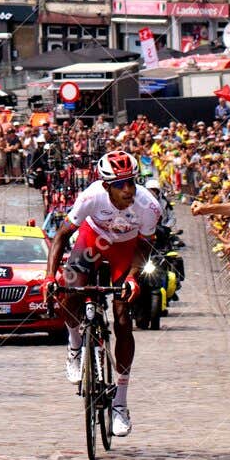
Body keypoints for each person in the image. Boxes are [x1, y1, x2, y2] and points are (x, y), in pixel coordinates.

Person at [43, 150, 161, 438]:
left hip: (126, 250)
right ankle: (74, 346)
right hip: (92, 240)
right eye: (120, 184)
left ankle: (120, 403)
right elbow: (60, 236)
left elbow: (144, 248)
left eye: (132, 182)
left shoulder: (149, 206)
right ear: (106, 186)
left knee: (122, 319)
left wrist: (133, 278)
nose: (128, 189)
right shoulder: (90, 197)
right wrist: (49, 277)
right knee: (68, 290)